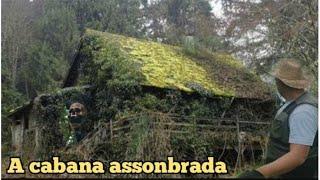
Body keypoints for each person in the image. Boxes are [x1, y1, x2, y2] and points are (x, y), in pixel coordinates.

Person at [238, 59, 318, 178]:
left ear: (280, 82)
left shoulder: (303, 111)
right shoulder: (291, 103)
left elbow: (298, 156)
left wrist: (259, 173)